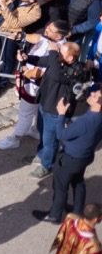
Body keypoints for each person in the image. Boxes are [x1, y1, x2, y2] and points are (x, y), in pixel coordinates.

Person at [34, 86, 102, 225]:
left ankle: (55, 215)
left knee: (60, 186)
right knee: (78, 182)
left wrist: (61, 114)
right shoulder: (98, 118)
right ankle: (77, 212)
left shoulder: (85, 121)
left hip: (70, 158)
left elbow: (61, 135)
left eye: (95, 95)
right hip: (85, 157)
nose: (92, 93)